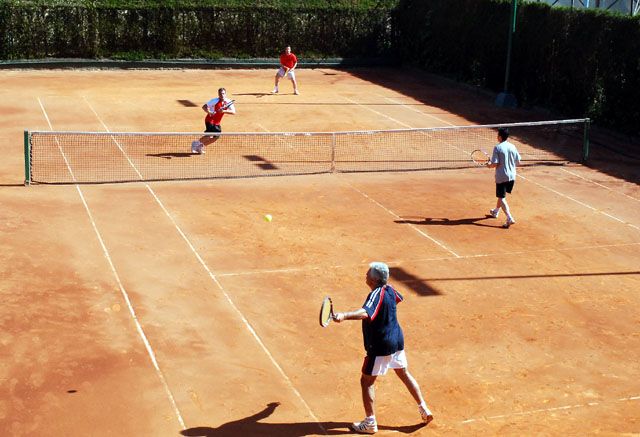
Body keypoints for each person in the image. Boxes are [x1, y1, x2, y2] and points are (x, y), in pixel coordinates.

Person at [333, 262, 433, 434]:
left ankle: (370, 422)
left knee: (366, 382)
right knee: (404, 373)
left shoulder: (375, 294)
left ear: (374, 280)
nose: (365, 275)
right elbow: (398, 299)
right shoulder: (390, 290)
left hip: (381, 345)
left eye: (368, 274)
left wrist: (344, 315)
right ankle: (423, 408)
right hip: (397, 340)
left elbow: (366, 312)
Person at [487, 127, 521, 228]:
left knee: (501, 198)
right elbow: (518, 162)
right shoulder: (513, 146)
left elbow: (495, 163)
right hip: (512, 176)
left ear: (500, 137)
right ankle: (496, 211)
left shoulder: (497, 148)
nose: (497, 137)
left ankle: (509, 217)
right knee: (501, 196)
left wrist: (489, 165)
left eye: (498, 135)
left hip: (502, 176)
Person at [191, 87, 236, 154]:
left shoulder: (228, 102)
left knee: (216, 137)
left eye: (223, 93)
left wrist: (224, 111)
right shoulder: (214, 101)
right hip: (210, 120)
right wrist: (209, 112)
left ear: (225, 94)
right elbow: (204, 107)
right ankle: (195, 143)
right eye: (220, 94)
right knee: (209, 135)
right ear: (218, 94)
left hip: (217, 122)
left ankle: (200, 146)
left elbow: (233, 112)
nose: (222, 95)